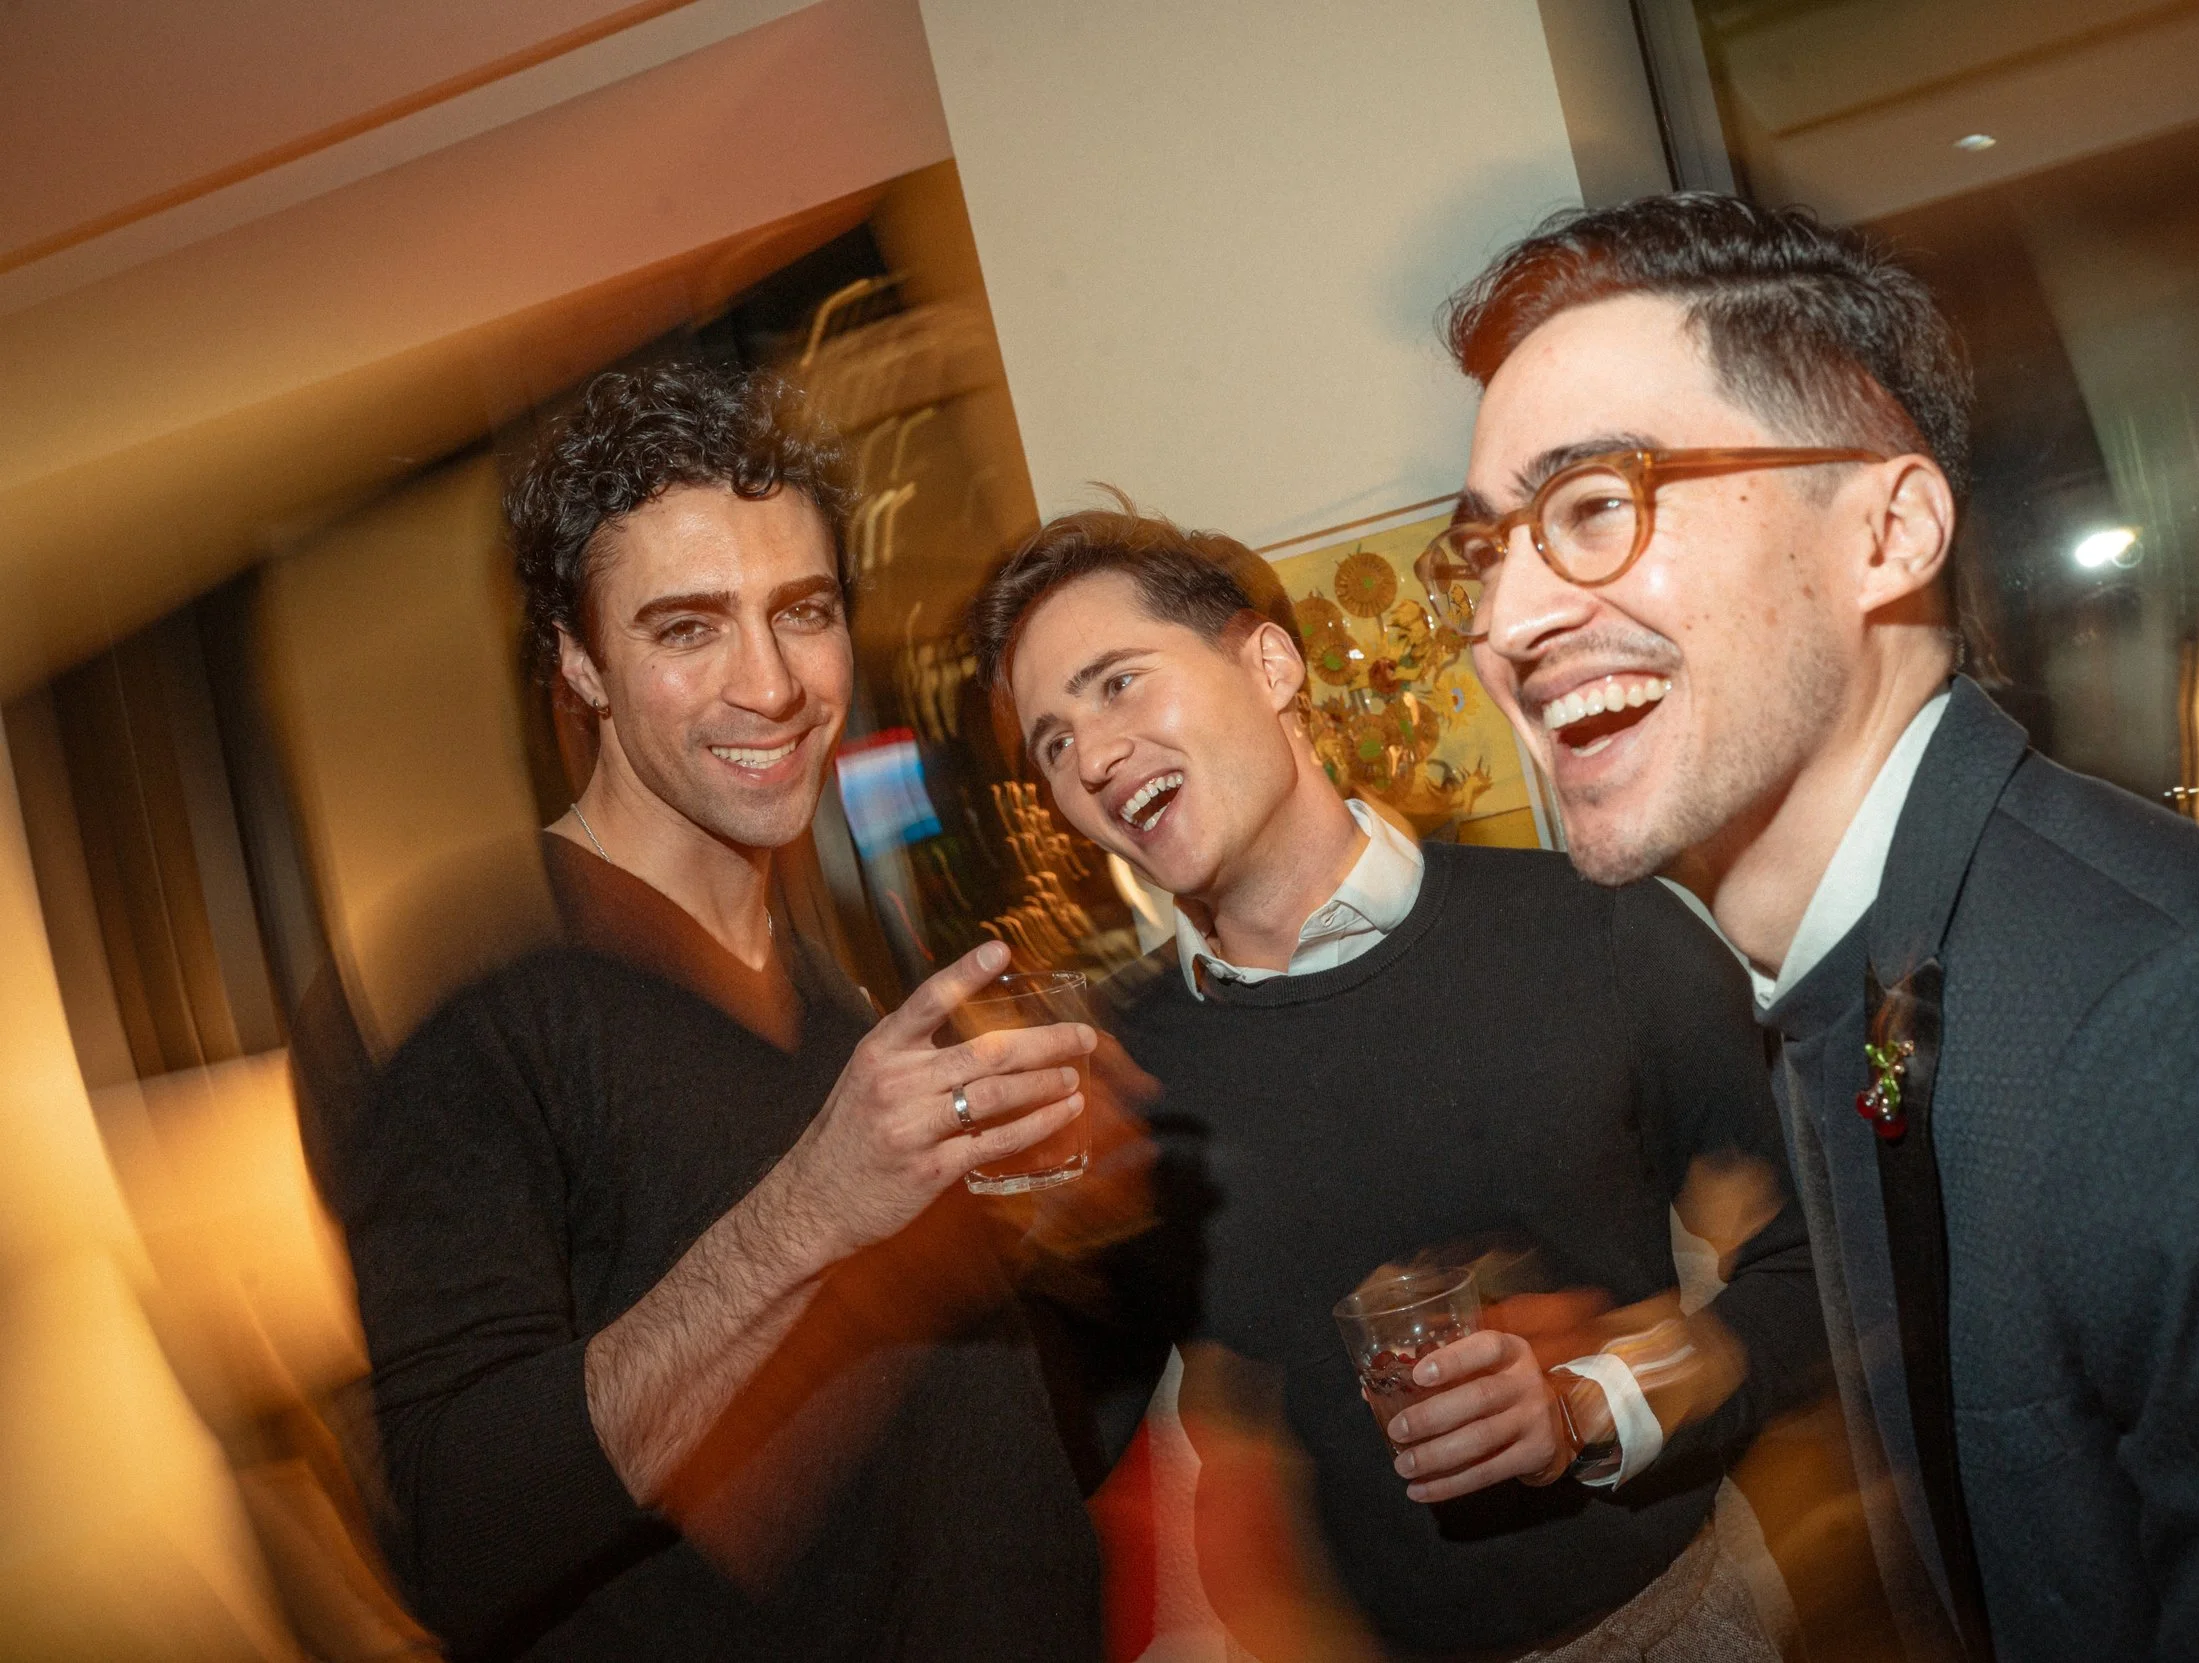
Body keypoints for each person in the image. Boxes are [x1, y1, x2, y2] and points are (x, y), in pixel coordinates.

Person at [1432, 193, 2199, 1660]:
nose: (1509, 618)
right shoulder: (1864, 966)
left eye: (1595, 505)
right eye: (1483, 551)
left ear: (1890, 528)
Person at [314, 362, 1102, 1660]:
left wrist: (1068, 1240)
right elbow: (461, 1536)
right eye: (687, 628)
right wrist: (814, 1208)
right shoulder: (466, 995)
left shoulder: (819, 972)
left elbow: (922, 1415)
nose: (774, 685)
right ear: (580, 662)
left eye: (804, 610)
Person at [968, 507, 1829, 1661]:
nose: (1095, 758)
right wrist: (1009, 1258)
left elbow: (1821, 1262)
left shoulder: (1596, 927)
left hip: (1670, 1624)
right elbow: (1059, 1448)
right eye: (1054, 743)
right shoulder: (1118, 1068)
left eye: (1118, 684)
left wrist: (1592, 1402)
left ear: (1268, 662)